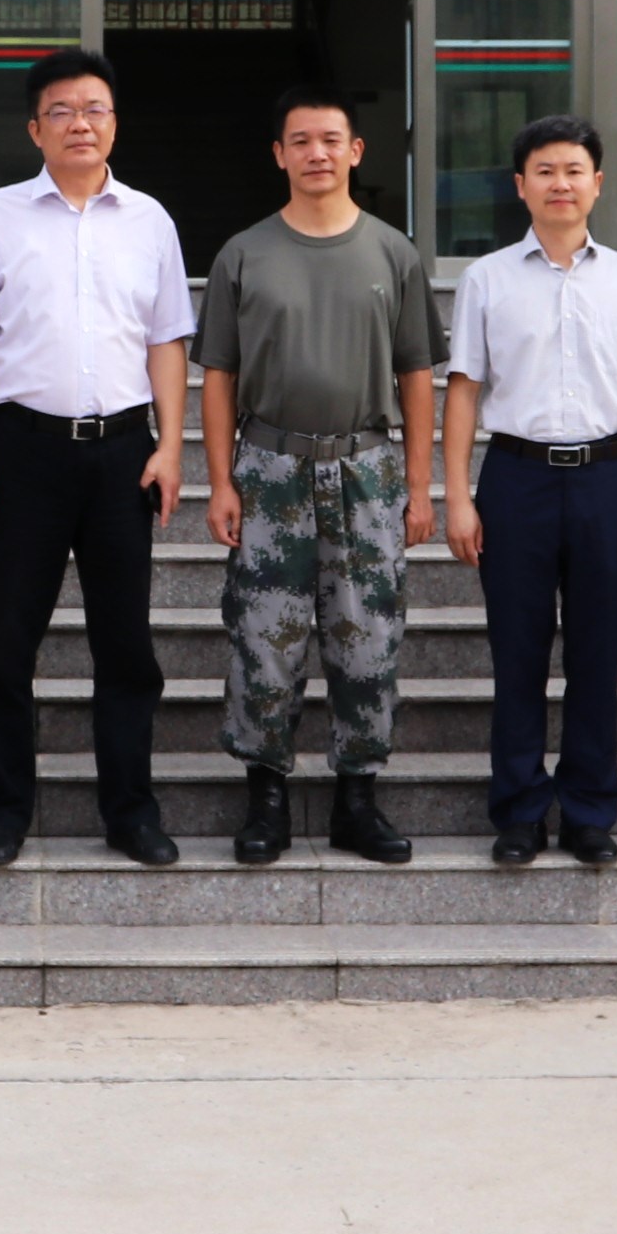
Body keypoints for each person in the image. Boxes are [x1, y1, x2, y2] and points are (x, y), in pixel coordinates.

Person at [0, 46, 193, 869]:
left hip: (122, 454)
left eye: (94, 109)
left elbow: (167, 341)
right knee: (6, 646)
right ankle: (3, 814)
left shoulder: (150, 221)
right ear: (35, 129)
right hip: (24, 451)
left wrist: (170, 446)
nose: (79, 124)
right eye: (61, 111)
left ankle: (131, 813)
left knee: (126, 647)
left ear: (114, 123)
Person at [198, 86, 437, 868]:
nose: (317, 153)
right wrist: (222, 482)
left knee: (367, 639)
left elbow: (416, 376)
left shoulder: (393, 253)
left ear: (356, 151)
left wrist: (420, 486)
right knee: (264, 638)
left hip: (365, 469)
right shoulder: (243, 254)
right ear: (279, 154)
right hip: (269, 467)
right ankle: (265, 794)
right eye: (300, 141)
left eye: (331, 140)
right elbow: (218, 377)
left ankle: (356, 798)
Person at [442, 116, 617, 865]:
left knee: (596, 656)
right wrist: (456, 495)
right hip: (516, 478)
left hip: (609, 480)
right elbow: (462, 391)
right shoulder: (486, 279)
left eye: (574, 170)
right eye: (544, 171)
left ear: (597, 184)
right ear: (521, 186)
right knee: (516, 653)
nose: (560, 184)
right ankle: (518, 812)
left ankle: (588, 812)